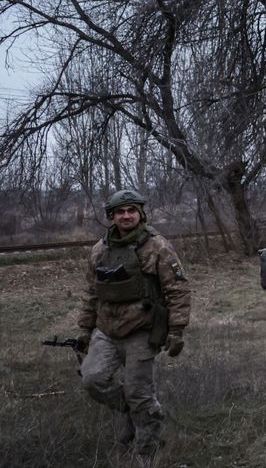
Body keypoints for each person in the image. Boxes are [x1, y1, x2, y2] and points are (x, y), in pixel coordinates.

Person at [76, 190, 192, 458]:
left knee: (140, 393)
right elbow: (91, 293)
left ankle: (147, 451)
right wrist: (84, 328)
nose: (126, 216)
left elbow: (178, 289)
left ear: (140, 213)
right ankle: (133, 410)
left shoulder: (157, 246)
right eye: (120, 212)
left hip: (142, 330)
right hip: (106, 330)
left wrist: (176, 330)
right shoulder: (100, 250)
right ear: (112, 217)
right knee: (92, 379)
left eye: (131, 211)